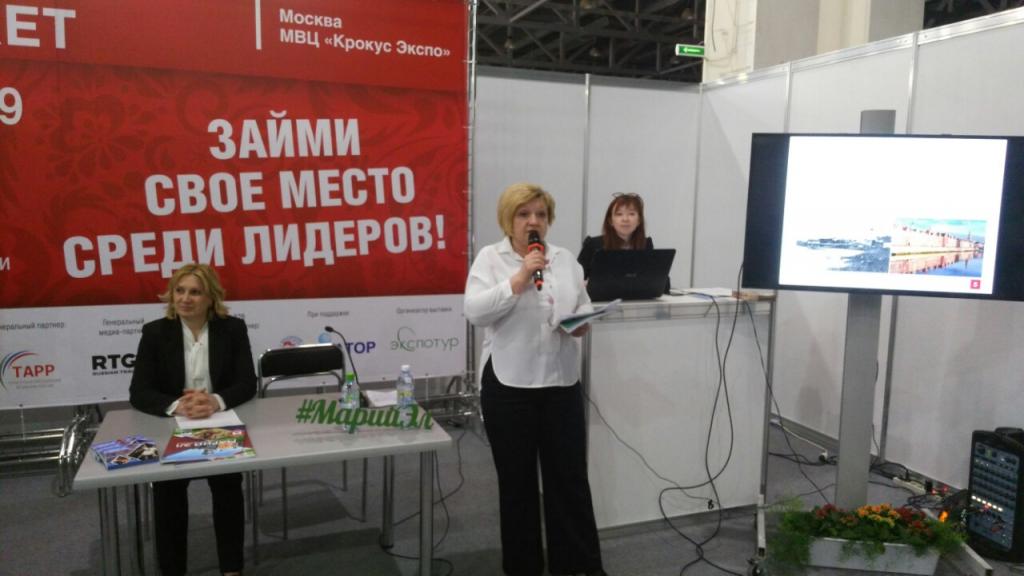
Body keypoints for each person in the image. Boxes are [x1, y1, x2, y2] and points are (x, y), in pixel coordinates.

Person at [464, 183, 607, 576]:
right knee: (518, 486)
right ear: (508, 220)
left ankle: (578, 567)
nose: (533, 222)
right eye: (524, 214)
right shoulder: (490, 258)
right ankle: (524, 568)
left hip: (560, 383)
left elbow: (582, 305)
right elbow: (474, 311)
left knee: (570, 481)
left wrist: (581, 324)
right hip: (509, 387)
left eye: (541, 215)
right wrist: (519, 279)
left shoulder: (565, 260)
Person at [129, 263, 256, 576]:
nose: (185, 299)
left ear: (211, 298)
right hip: (173, 424)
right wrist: (178, 405)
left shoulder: (232, 329)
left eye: (195, 292)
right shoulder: (155, 332)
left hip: (218, 420)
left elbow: (246, 383)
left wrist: (214, 400)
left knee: (228, 485)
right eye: (180, 291)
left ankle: (232, 569)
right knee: (168, 491)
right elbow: (139, 391)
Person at [577, 193, 665, 291]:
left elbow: (663, 281)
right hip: (601, 299)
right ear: (610, 221)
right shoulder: (593, 245)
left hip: (637, 298)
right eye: (619, 214)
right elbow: (574, 279)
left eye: (631, 214)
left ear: (639, 220)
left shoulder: (646, 244)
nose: (625, 219)